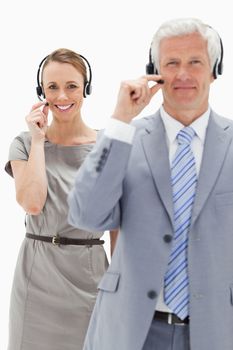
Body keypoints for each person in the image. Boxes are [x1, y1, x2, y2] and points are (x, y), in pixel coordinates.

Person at [67, 18, 233, 350]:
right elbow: (86, 215)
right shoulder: (124, 138)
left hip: (215, 330)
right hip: (131, 331)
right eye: (172, 63)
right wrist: (119, 120)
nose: (183, 74)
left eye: (195, 62)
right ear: (154, 71)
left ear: (214, 70)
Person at [5, 48, 118, 350]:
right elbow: (32, 202)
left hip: (90, 276)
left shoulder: (108, 145)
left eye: (71, 86)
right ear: (41, 91)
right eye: (52, 87)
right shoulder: (25, 143)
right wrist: (39, 140)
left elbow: (119, 223)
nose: (62, 96)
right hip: (36, 277)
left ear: (86, 89)